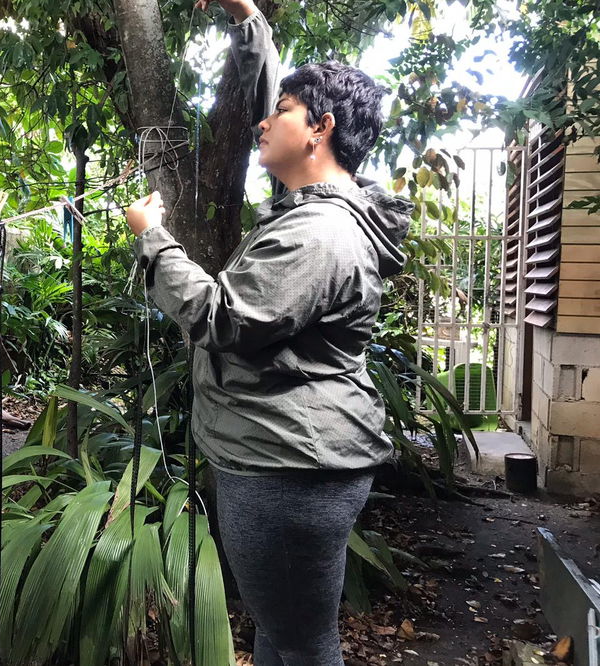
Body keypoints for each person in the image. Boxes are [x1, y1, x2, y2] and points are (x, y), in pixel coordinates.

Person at [123, 1, 413, 664]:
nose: (263, 120)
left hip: (287, 469)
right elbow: (274, 106)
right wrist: (249, 21)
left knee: (303, 644)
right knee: (286, 636)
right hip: (292, 461)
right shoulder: (317, 207)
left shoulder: (319, 234)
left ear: (321, 129)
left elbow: (224, 322)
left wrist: (153, 241)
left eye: (282, 111)